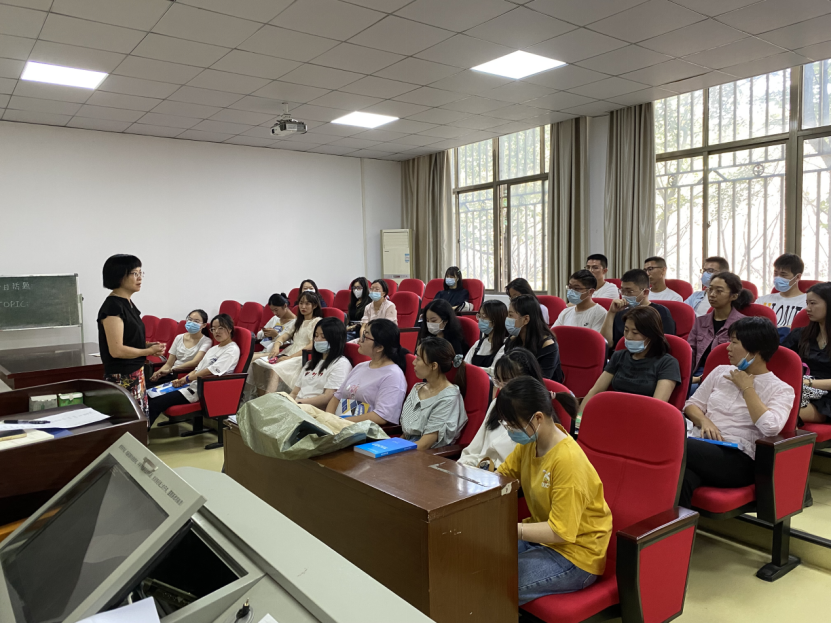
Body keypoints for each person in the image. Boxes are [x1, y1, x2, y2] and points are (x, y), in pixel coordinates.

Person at [495, 377, 612, 605]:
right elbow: (502, 477)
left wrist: (511, 529)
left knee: (495, 580)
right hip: (542, 540)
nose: (510, 431)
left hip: (575, 555)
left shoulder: (568, 461)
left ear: (537, 418)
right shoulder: (530, 444)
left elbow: (561, 532)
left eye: (512, 425)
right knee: (478, 560)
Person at [681, 317, 794, 507]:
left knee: (674, 444)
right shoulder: (720, 371)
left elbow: (770, 427)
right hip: (701, 445)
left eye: (734, 342)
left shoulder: (781, 389)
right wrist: (704, 421)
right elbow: (691, 405)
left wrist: (747, 388)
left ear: (755, 350)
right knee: (682, 478)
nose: (728, 347)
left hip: (738, 459)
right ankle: (675, 526)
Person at [580, 306, 680, 419]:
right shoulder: (619, 356)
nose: (628, 337)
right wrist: (578, 421)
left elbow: (657, 406)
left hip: (643, 418)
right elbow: (595, 391)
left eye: (635, 332)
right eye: (626, 330)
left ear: (651, 335)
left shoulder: (667, 363)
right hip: (612, 414)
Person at [459, 347, 548, 470]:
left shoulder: (537, 418)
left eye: (506, 382)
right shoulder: (497, 404)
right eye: (498, 381)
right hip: (480, 471)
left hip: (506, 475)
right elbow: (473, 451)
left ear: (527, 381)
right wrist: (461, 468)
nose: (501, 388)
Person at [98, 254, 164, 417]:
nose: (140, 278)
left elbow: (129, 339)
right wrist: (147, 351)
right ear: (119, 275)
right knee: (130, 422)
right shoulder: (113, 307)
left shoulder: (127, 303)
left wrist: (147, 345)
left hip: (135, 372)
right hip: (123, 376)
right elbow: (117, 350)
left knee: (140, 421)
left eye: (141, 273)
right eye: (135, 273)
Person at [147, 314, 241, 429]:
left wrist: (186, 379)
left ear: (230, 329)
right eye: (213, 328)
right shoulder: (213, 349)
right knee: (149, 395)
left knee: (155, 403)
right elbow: (197, 369)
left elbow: (210, 371)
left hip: (203, 389)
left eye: (220, 328)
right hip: (190, 385)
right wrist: (182, 380)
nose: (216, 331)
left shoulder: (232, 350)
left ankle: (140, 433)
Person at [326, 319, 408, 425]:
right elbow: (337, 397)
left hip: (360, 429)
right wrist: (328, 419)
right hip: (339, 423)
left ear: (379, 347)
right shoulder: (360, 366)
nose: (360, 340)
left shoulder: (393, 375)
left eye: (365, 336)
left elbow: (381, 416)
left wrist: (339, 422)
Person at [249, 291, 322, 395]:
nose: (303, 306)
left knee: (276, 369)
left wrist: (290, 357)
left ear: (314, 306)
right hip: (290, 352)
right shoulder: (298, 321)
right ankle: (260, 396)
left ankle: (267, 399)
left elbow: (311, 345)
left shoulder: (316, 321)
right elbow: (284, 336)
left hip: (303, 356)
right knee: (258, 363)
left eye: (307, 304)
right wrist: (276, 345)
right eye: (301, 303)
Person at [401, 337, 468, 449]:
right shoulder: (417, 388)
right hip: (408, 446)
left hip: (425, 453)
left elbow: (425, 445)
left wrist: (394, 452)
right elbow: (406, 433)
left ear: (434, 366)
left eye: (418, 358)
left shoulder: (448, 397)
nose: (413, 362)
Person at [689, 272, 751, 384]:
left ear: (734, 296)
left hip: (726, 377)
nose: (712, 294)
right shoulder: (700, 321)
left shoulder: (743, 324)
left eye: (719, 291)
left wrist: (700, 379)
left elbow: (743, 360)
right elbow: (690, 352)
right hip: (697, 373)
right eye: (710, 289)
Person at [782, 282, 831, 424]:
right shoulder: (801, 334)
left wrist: (806, 383)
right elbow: (781, 360)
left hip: (826, 398)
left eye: (813, 303)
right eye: (807, 303)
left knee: (779, 411)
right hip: (801, 389)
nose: (807, 309)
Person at [600, 269, 676, 348]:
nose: (624, 295)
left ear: (645, 292)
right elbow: (606, 345)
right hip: (621, 354)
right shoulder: (620, 312)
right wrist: (611, 313)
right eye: (622, 291)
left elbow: (664, 344)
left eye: (629, 291)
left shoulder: (660, 312)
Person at [289, 317, 353, 410]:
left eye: (323, 337)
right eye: (316, 335)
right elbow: (295, 392)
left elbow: (328, 397)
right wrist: (288, 401)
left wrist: (297, 403)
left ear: (335, 339)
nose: (318, 340)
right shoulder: (310, 363)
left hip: (313, 410)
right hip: (297, 406)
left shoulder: (341, 364)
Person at [506, 295, 564, 382]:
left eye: (510, 315)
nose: (507, 319)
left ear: (526, 319)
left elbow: (541, 381)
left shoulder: (548, 345)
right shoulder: (513, 339)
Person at [149, 310, 212, 385]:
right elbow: (169, 363)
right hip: (171, 373)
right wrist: (159, 373)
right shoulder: (179, 337)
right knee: (147, 385)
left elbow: (195, 362)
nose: (191, 323)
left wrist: (171, 370)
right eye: (190, 319)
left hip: (185, 376)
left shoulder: (206, 341)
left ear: (204, 325)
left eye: (196, 321)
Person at [755, 253, 807, 333]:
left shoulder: (808, 302)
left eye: (783, 275)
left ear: (797, 277)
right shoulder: (761, 301)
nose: (778, 278)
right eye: (775, 274)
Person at [465, 300, 508, 371]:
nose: (480, 319)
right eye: (479, 315)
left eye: (484, 316)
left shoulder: (505, 345)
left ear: (495, 320)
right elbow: (466, 365)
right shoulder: (478, 343)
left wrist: (473, 370)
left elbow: (494, 371)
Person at [255, 293, 296, 357]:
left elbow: (290, 344)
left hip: (279, 352)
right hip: (266, 350)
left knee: (248, 359)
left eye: (276, 310)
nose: (274, 313)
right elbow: (258, 335)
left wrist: (276, 336)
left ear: (285, 306)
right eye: (272, 311)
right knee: (245, 357)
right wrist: (265, 333)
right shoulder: (275, 319)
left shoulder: (295, 322)